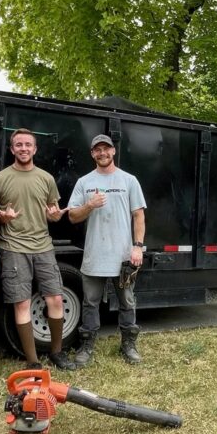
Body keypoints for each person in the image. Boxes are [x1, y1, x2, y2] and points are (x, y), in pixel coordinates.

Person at [0, 128, 75, 370]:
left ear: (35, 149)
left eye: (28, 144)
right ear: (11, 149)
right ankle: (32, 361)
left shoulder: (46, 178)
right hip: (13, 248)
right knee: (22, 303)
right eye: (19, 145)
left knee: (56, 298)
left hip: (43, 246)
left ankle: (57, 352)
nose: (24, 148)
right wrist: (2, 219)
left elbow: (53, 214)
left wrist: (56, 216)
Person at [67, 134, 147, 365]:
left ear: (113, 151)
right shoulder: (84, 182)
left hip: (123, 257)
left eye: (106, 149)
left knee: (127, 302)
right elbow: (72, 216)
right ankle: (87, 346)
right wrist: (89, 205)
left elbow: (138, 215)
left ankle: (128, 345)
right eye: (97, 150)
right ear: (92, 154)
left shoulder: (129, 180)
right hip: (94, 257)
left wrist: (138, 247)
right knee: (90, 303)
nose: (102, 153)